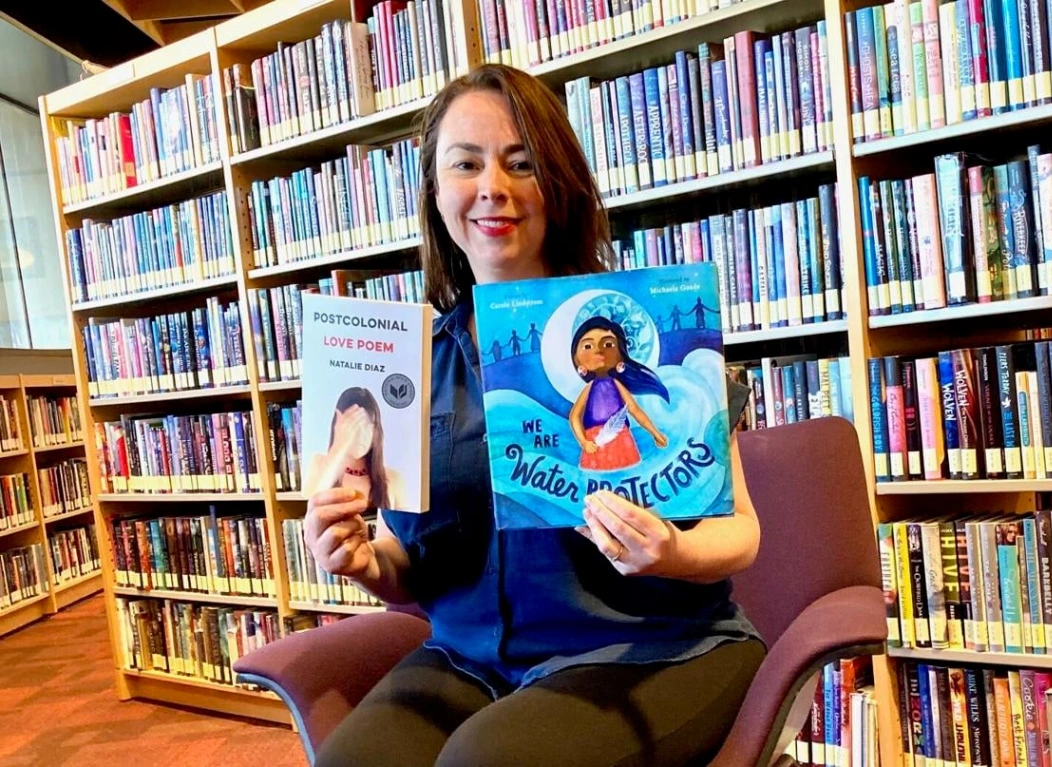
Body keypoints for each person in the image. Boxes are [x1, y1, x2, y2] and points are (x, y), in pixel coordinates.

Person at [303, 64, 763, 767]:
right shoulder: (410, 365)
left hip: (648, 646)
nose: (494, 187)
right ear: (435, 190)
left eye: (523, 164)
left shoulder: (655, 330)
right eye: (467, 163)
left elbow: (742, 534)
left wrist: (672, 550)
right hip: (470, 659)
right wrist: (363, 562)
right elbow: (411, 565)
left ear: (559, 186)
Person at [569, 315, 669, 470]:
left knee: (628, 475)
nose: (598, 351)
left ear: (620, 354)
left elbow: (635, 410)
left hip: (621, 441)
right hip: (595, 443)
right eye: (588, 346)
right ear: (577, 360)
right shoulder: (589, 388)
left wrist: (655, 433)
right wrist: (584, 442)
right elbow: (574, 416)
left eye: (608, 344)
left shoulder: (616, 385)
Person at [304, 386, 407, 512]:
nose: (362, 435)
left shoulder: (394, 479)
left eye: (369, 426)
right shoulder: (319, 464)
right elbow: (311, 517)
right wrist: (339, 447)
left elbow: (404, 528)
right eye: (354, 424)